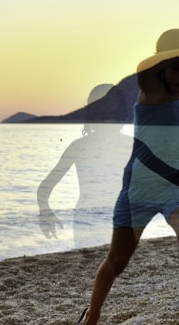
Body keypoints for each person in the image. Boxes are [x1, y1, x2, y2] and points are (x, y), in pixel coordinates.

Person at [69, 0, 179, 325]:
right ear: (163, 67)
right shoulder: (150, 91)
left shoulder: (174, 86)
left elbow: (174, 62)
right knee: (116, 262)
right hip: (137, 190)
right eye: (177, 68)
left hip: (175, 189)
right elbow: (147, 64)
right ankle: (88, 322)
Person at [37, 84, 134, 250]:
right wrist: (45, 212)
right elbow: (44, 188)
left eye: (113, 114)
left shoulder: (81, 146)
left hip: (111, 219)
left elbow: (164, 175)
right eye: (105, 114)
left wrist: (45, 212)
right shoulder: (130, 145)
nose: (109, 119)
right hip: (99, 219)